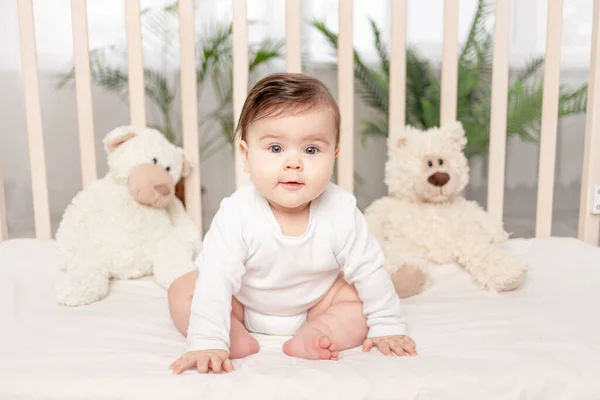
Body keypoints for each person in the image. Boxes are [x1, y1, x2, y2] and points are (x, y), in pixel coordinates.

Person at [168, 73, 416, 374]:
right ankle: (229, 335)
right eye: (275, 149)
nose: (293, 163)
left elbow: (369, 269)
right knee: (185, 289)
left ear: (334, 154)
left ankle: (318, 334)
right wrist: (206, 339)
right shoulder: (237, 212)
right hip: (243, 303)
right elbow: (216, 279)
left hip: (317, 304)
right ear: (247, 156)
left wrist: (387, 324)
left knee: (357, 299)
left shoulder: (341, 210)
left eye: (311, 150)